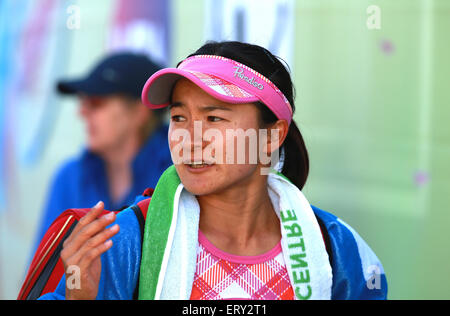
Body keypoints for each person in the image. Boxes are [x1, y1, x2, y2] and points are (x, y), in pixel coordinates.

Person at [39, 41, 388, 300]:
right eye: (179, 117)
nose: (190, 139)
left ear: (272, 135)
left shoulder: (336, 249)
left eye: (214, 118)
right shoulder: (126, 243)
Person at [33, 52, 173, 248]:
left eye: (96, 103)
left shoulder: (179, 177)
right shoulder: (69, 178)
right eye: (83, 102)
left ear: (140, 112)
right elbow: (45, 273)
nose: (81, 112)